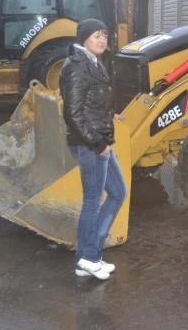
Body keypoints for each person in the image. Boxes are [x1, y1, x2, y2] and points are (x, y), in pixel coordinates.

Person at [59, 18, 126, 280]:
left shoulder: (92, 62)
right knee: (92, 201)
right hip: (91, 145)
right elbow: (73, 113)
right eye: (96, 35)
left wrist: (111, 113)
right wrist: (98, 144)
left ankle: (89, 256)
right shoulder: (77, 66)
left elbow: (93, 101)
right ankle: (88, 257)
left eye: (105, 35)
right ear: (84, 38)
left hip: (100, 140)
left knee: (118, 192)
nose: (102, 40)